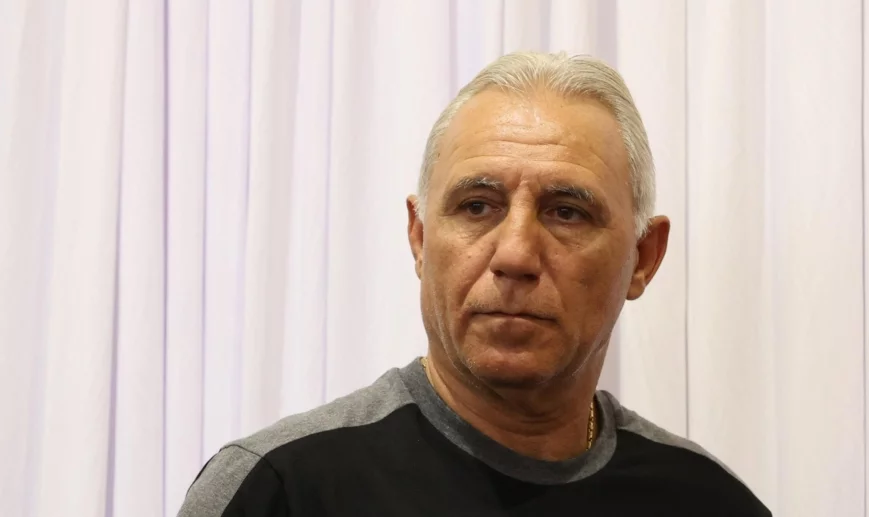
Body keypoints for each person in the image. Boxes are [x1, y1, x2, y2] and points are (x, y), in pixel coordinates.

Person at [178, 51, 771, 516]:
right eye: (478, 206)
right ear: (419, 237)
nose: (515, 255)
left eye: (567, 212)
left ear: (643, 257)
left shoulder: (710, 503)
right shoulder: (278, 490)